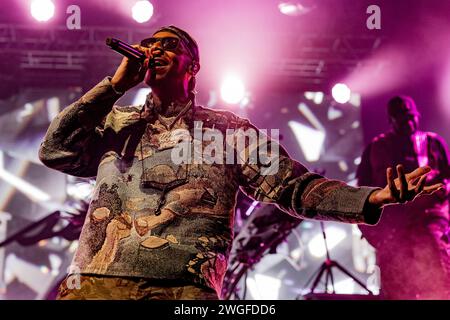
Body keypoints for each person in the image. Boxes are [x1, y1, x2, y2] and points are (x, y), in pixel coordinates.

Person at [38, 26, 440, 300]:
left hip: (185, 287)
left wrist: (374, 196)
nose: (155, 49)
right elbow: (55, 149)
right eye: (150, 44)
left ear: (193, 68)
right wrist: (113, 88)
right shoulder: (115, 121)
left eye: (170, 46)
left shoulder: (228, 132)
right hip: (96, 281)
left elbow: (294, 187)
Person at [357, 95, 450, 300]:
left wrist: (441, 190)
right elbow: (362, 191)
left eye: (411, 117)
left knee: (439, 280)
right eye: (402, 118)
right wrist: (372, 231)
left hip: (429, 223)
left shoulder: (432, 142)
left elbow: (448, 178)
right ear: (391, 120)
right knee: (395, 288)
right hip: (393, 229)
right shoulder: (377, 147)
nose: (409, 122)